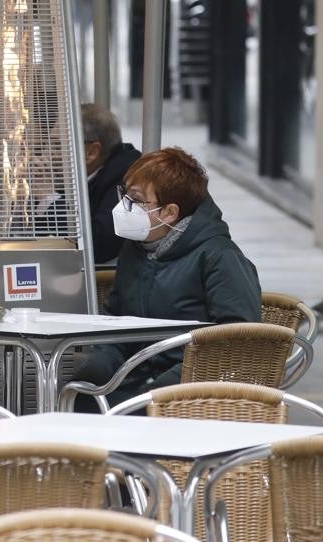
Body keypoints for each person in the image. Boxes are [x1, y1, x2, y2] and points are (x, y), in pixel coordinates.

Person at [72, 147, 262, 408]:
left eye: (135, 200)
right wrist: (97, 370)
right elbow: (115, 321)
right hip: (131, 377)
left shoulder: (219, 257)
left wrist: (165, 385)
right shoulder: (136, 247)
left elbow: (238, 340)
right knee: (76, 397)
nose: (123, 206)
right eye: (124, 193)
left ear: (169, 213)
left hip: (191, 391)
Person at [80, 104, 142, 265]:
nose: (49, 152)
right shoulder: (80, 171)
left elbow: (98, 246)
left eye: (59, 146)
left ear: (92, 152)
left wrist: (50, 197)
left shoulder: (128, 177)